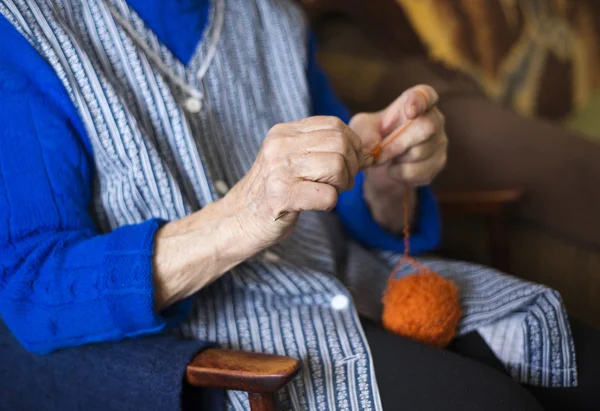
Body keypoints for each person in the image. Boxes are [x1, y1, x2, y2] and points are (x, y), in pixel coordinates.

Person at [0, 1, 598, 410]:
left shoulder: (274, 15)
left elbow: (343, 208)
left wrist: (386, 176)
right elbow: (32, 286)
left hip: (356, 280)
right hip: (229, 349)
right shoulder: (25, 32)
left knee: (584, 364)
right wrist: (238, 218)